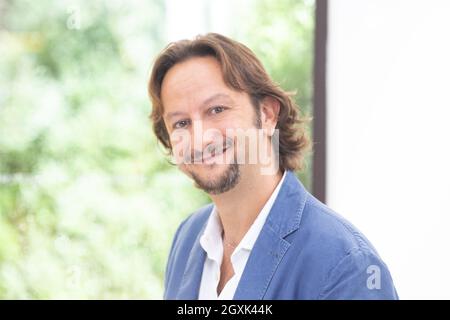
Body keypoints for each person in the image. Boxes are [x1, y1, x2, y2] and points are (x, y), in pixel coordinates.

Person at [148, 33, 398, 300]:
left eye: (217, 110)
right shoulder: (187, 239)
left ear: (267, 114)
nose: (200, 138)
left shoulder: (346, 265)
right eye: (181, 123)